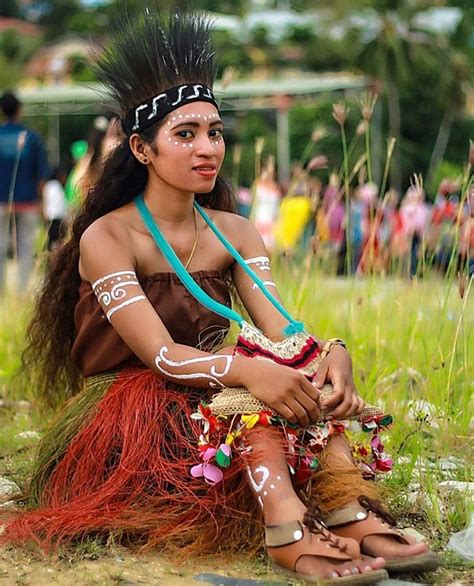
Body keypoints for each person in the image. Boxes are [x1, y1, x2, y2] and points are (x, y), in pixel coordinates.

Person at [1, 10, 439, 584]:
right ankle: (286, 530)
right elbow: (159, 355)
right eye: (185, 134)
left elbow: (282, 330)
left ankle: (344, 510)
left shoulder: (234, 230)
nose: (208, 148)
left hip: (205, 386)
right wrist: (247, 373)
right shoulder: (108, 236)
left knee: (295, 374)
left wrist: (326, 353)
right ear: (141, 148)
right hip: (130, 405)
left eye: (214, 132)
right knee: (248, 395)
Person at [0, 91, 48, 293]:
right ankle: (22, 291)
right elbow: (41, 176)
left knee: (0, 246)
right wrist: (41, 202)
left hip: (1, 202)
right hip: (27, 200)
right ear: (19, 111)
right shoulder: (32, 137)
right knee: (26, 247)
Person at [42, 166, 68, 251]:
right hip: (58, 216)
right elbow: (62, 203)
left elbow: (45, 201)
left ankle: (50, 253)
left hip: (50, 216)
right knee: (57, 238)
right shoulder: (58, 187)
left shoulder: (47, 186)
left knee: (51, 238)